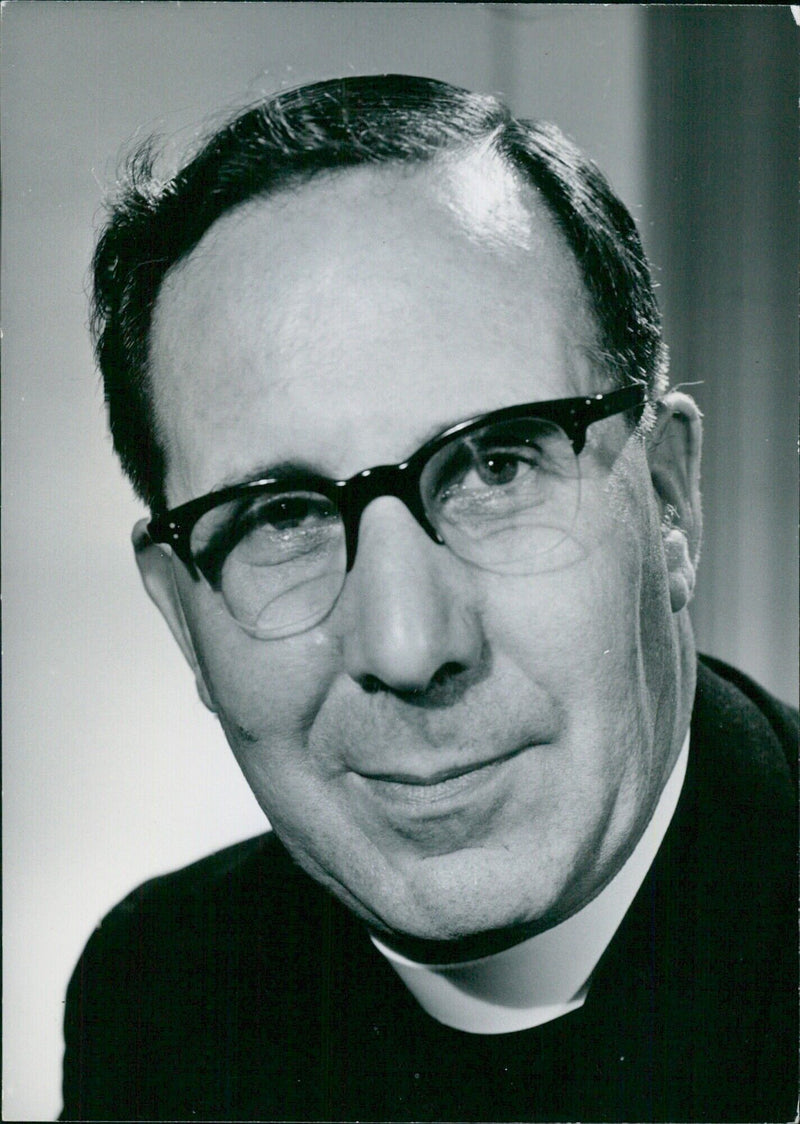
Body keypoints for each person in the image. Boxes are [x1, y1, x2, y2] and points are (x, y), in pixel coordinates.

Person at [61, 75, 796, 1122]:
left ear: (668, 497)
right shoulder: (162, 985)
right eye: (281, 517)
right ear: (182, 613)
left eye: (496, 466)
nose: (408, 646)